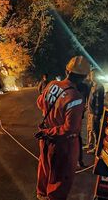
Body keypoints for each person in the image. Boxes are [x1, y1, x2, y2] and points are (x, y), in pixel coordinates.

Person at [35, 56, 90, 200]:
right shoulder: (76, 97)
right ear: (84, 77)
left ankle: (41, 196)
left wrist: (48, 126)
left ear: (67, 70)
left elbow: (40, 102)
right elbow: (69, 129)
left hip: (45, 140)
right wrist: (50, 130)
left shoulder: (52, 84)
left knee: (45, 171)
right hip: (63, 145)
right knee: (59, 181)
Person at [83, 69, 105, 154]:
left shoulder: (99, 87)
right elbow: (91, 99)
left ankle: (96, 147)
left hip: (95, 113)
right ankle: (90, 144)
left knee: (95, 130)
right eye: (91, 75)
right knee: (89, 129)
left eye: (93, 75)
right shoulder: (93, 85)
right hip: (90, 112)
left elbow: (98, 103)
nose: (91, 77)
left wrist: (96, 115)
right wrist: (87, 106)